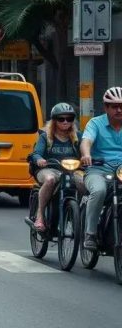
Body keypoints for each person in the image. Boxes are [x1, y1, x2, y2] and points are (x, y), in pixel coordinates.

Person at [80, 87, 122, 251]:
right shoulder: (95, 123)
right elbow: (86, 141)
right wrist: (86, 154)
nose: (119, 109)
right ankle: (90, 233)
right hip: (98, 170)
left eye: (121, 106)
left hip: (120, 172)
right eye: (114, 106)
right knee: (98, 191)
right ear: (106, 108)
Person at [29, 103, 82, 232]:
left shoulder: (78, 137)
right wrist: (40, 160)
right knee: (50, 180)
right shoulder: (45, 137)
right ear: (54, 121)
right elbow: (36, 153)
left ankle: (81, 215)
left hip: (72, 170)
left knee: (84, 182)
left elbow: (86, 152)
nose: (65, 122)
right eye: (61, 119)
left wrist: (87, 158)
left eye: (69, 119)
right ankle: (40, 216)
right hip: (49, 169)